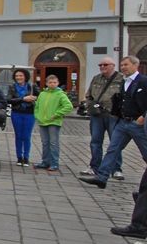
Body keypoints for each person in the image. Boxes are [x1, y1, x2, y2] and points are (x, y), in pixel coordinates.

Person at [79, 56, 147, 189]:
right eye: (122, 65)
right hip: (123, 122)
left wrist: (143, 117)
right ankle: (102, 177)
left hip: (137, 124)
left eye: (126, 65)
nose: (123, 67)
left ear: (135, 65)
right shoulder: (124, 82)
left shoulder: (143, 81)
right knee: (113, 149)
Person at [80, 57, 125, 180]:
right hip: (97, 115)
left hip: (113, 115)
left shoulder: (121, 79)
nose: (102, 67)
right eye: (100, 65)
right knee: (95, 142)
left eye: (105, 65)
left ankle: (116, 169)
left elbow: (124, 96)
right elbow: (89, 94)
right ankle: (94, 167)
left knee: (115, 143)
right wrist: (91, 106)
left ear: (112, 66)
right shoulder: (96, 78)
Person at [33, 74, 74, 172]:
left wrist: (57, 114)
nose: (52, 84)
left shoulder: (60, 94)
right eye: (50, 82)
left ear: (58, 83)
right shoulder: (42, 94)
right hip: (42, 121)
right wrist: (37, 115)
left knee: (53, 143)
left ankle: (54, 163)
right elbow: (37, 106)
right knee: (45, 143)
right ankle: (45, 161)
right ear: (46, 83)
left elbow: (68, 106)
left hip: (54, 122)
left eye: (54, 82)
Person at [6, 68, 38, 167]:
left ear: (25, 76)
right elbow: (9, 99)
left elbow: (40, 96)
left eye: (21, 76)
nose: (18, 77)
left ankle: (26, 157)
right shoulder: (12, 87)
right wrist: (23, 98)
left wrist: (34, 98)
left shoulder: (32, 86)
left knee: (27, 136)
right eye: (17, 76)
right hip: (17, 113)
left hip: (30, 113)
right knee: (18, 135)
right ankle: (19, 157)